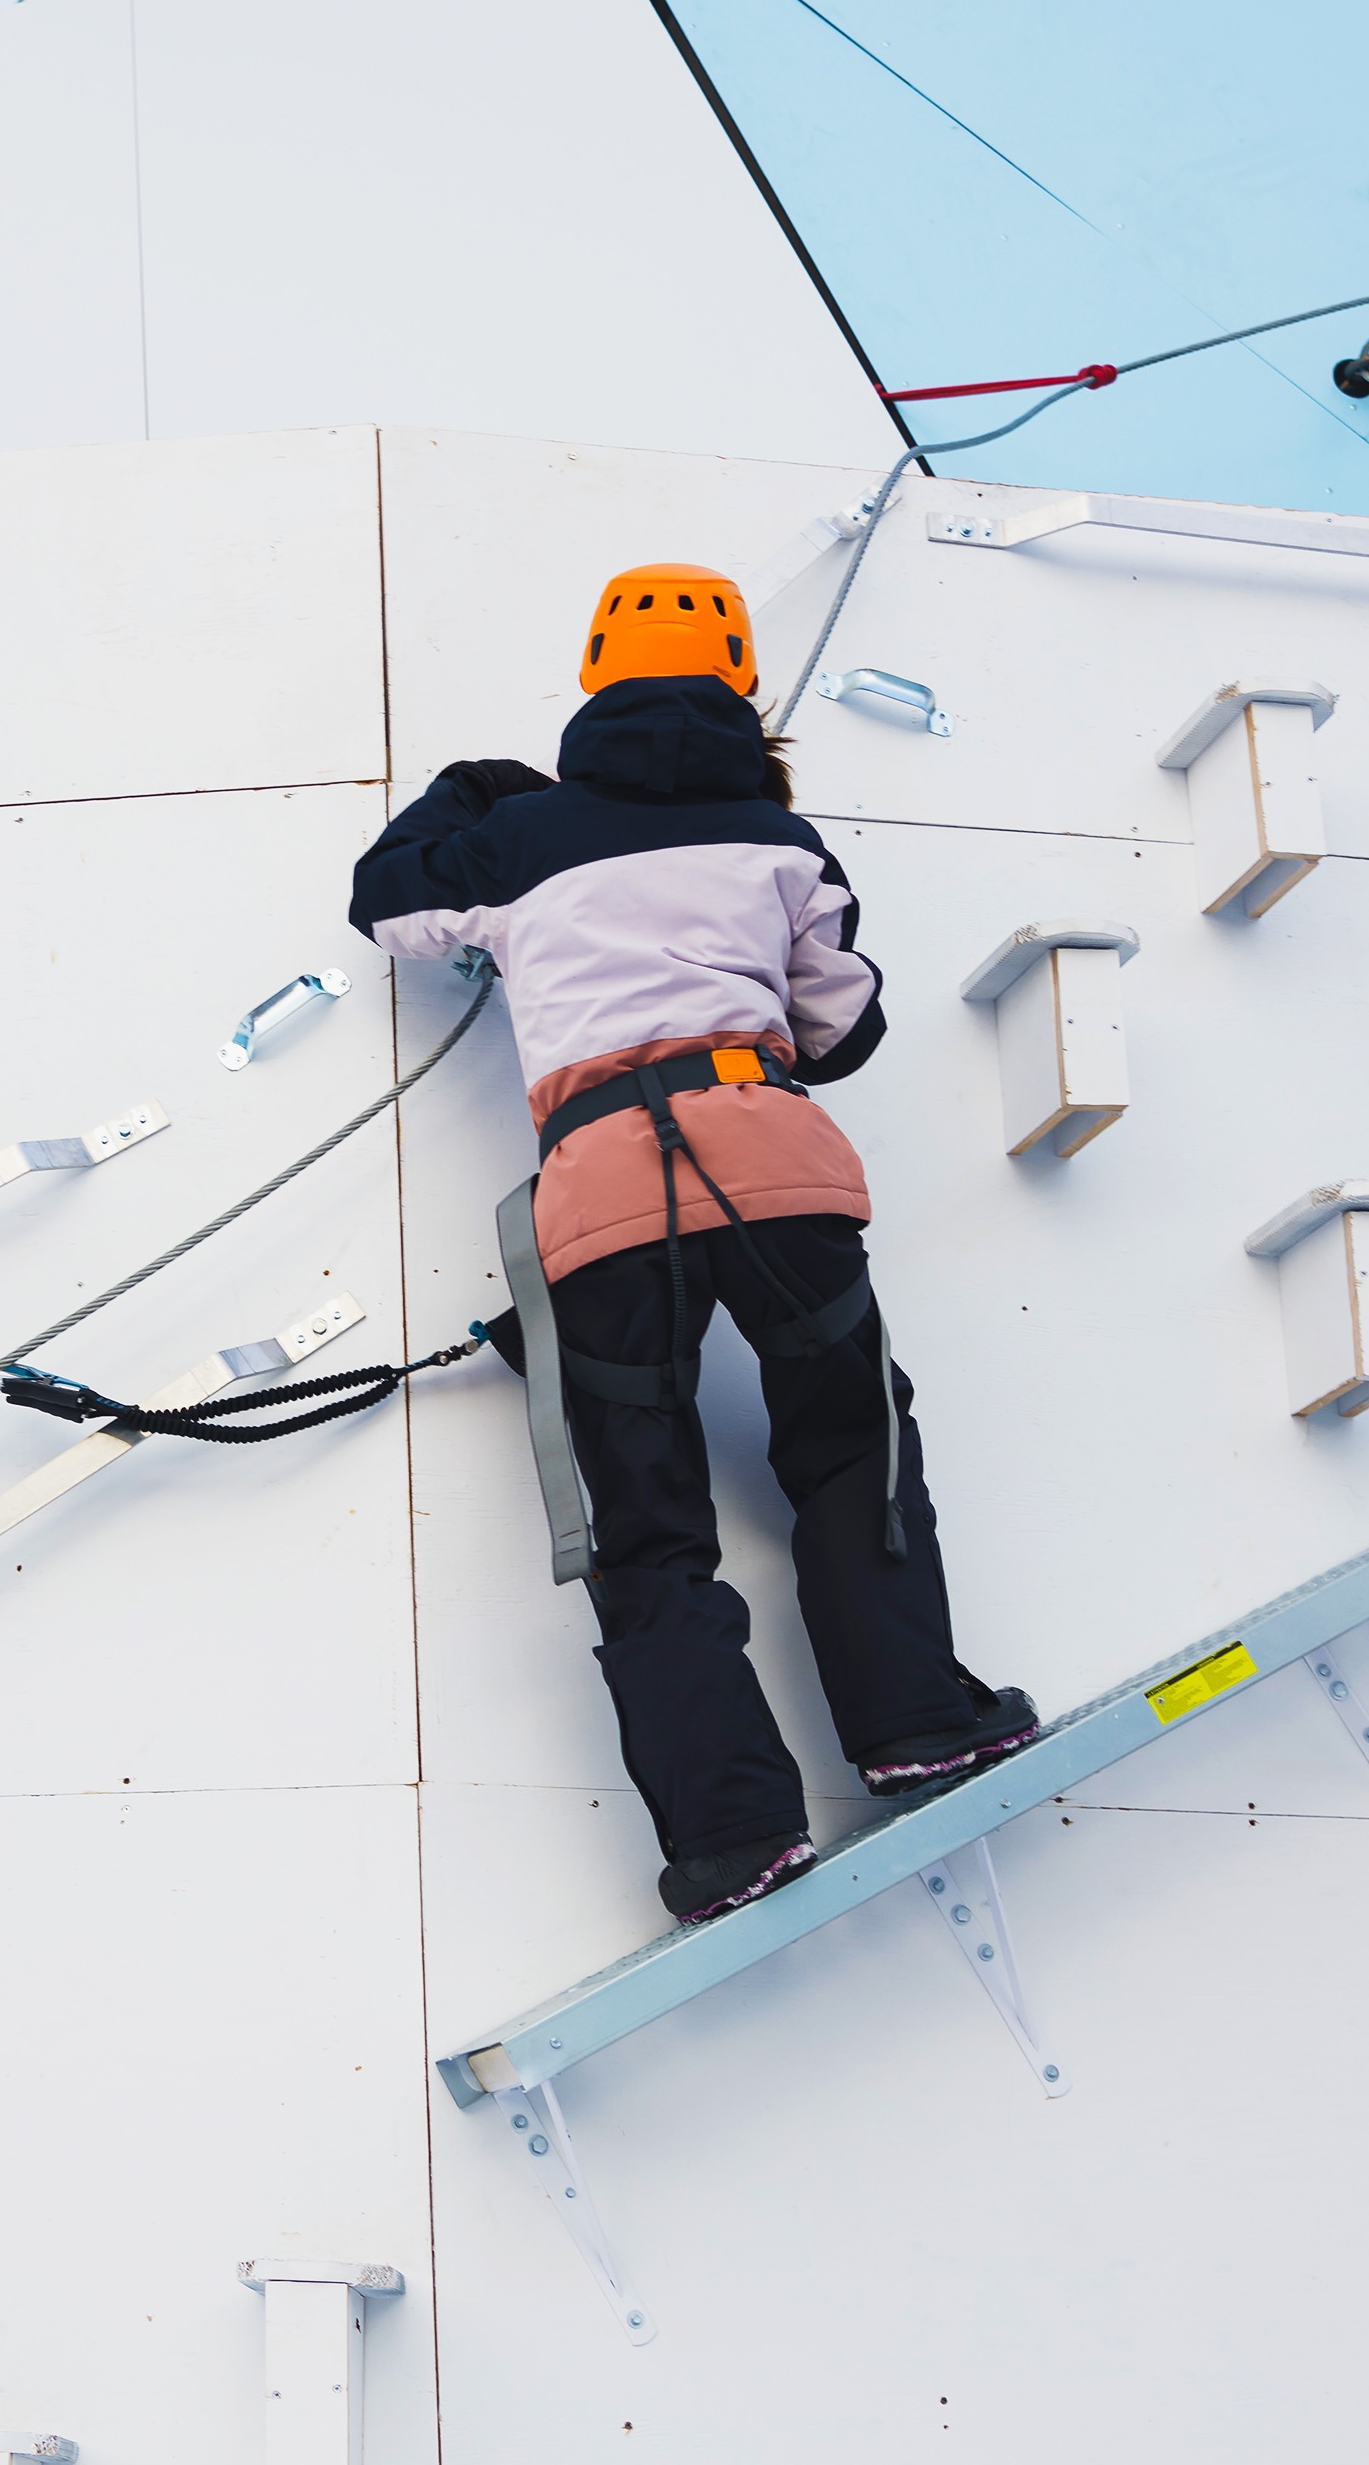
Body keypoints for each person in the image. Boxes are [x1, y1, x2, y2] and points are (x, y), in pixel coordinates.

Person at [350, 560, 1035, 1924]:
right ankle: (918, 1724)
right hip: (771, 1163)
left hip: (600, 1187)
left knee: (644, 1525)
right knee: (850, 1448)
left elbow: (386, 902)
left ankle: (731, 1836)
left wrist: (471, 793)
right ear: (742, 683)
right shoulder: (779, 838)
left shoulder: (518, 840)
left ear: (595, 677)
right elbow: (842, 1029)